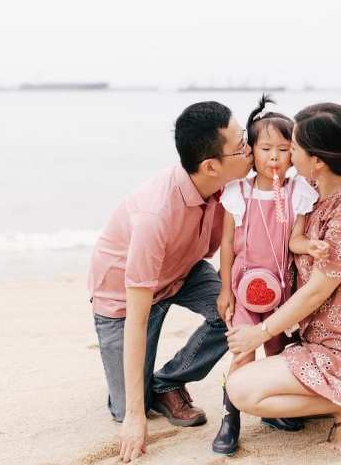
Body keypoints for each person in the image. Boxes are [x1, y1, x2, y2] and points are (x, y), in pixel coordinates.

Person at [225, 102, 341, 452]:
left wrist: (259, 334)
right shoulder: (314, 189)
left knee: (241, 390)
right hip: (314, 336)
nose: (286, 155)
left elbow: (314, 294)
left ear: (317, 161)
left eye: (293, 147)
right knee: (245, 384)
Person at [88, 101, 253, 463]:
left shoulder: (230, 185)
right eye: (242, 145)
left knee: (239, 313)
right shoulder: (155, 214)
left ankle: (168, 380)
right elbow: (137, 317)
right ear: (211, 165)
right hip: (124, 296)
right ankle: (142, 396)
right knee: (129, 407)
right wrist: (134, 418)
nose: (251, 150)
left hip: (182, 271)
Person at [211, 95, 327, 455]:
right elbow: (227, 244)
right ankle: (230, 416)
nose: (274, 157)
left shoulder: (298, 193)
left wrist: (310, 247)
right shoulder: (237, 192)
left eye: (283, 149)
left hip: (282, 291)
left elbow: (294, 241)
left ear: (294, 154)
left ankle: (271, 412)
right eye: (265, 148)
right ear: (251, 151)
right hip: (243, 288)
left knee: (277, 351)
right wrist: (224, 290)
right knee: (242, 354)